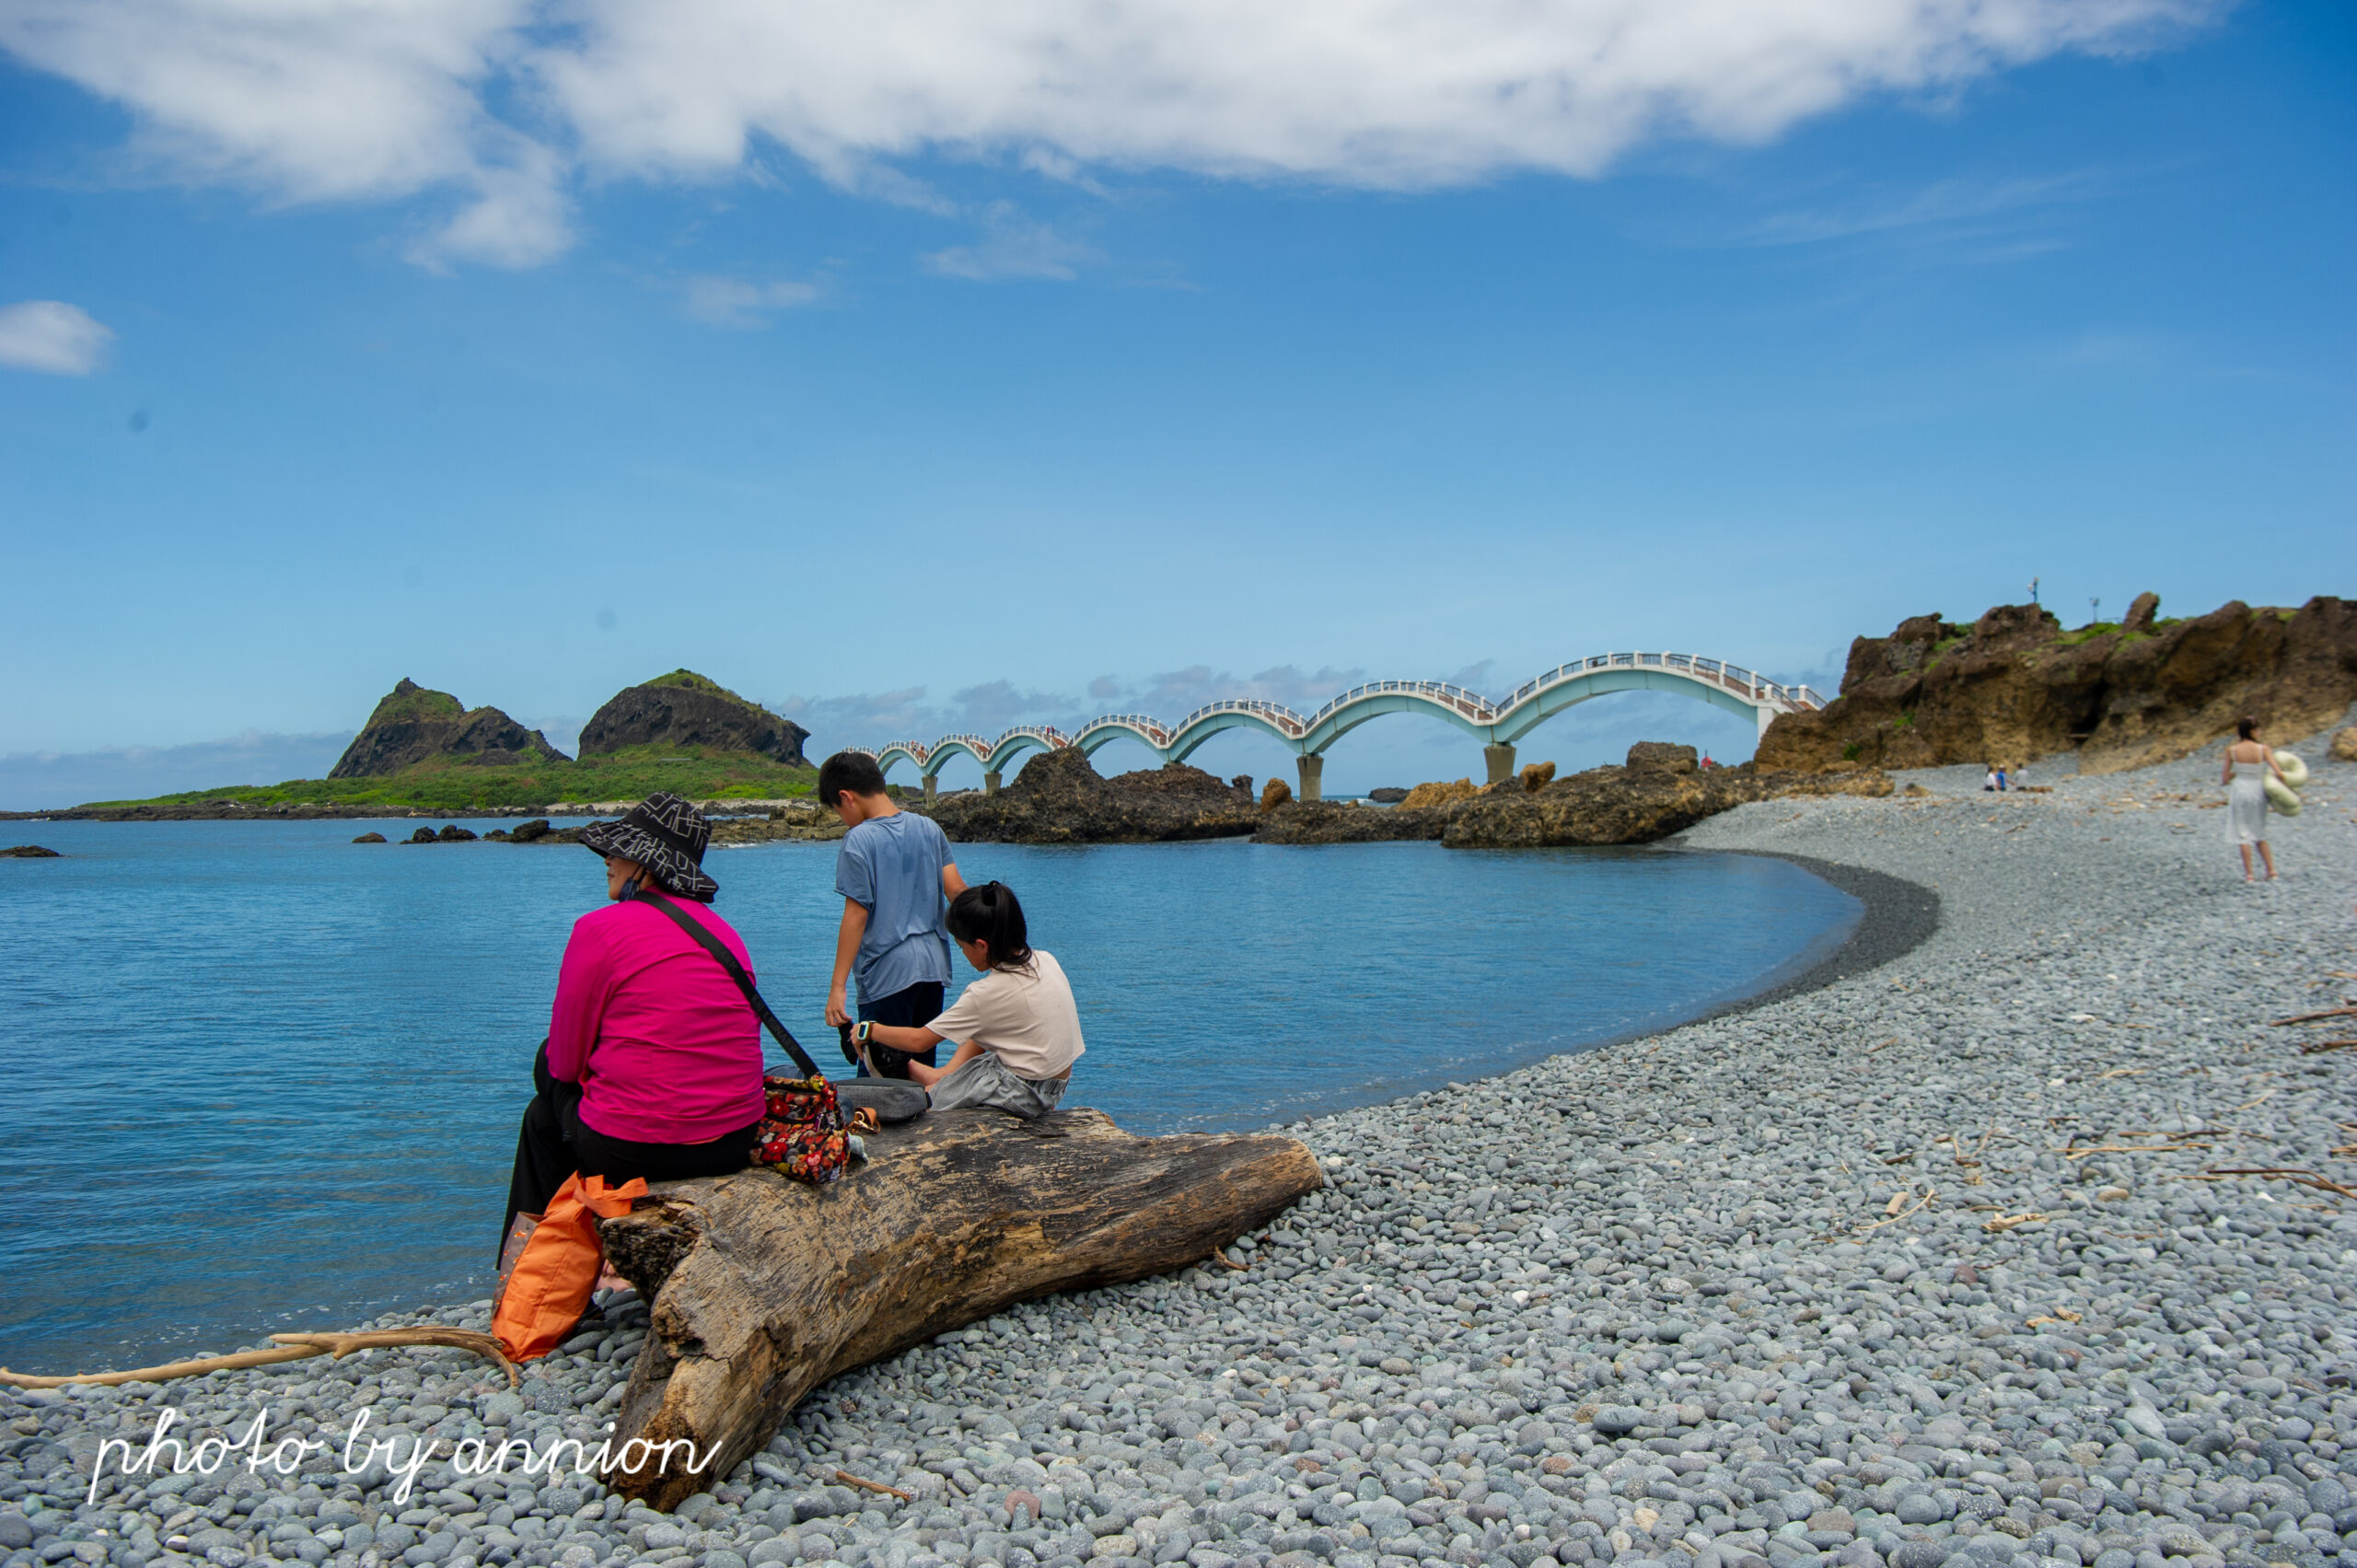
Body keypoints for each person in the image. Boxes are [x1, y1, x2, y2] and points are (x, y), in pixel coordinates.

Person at [501, 793, 765, 1258]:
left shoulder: (599, 929)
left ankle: (529, 1273)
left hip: (638, 1147)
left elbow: (565, 1063)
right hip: (734, 1138)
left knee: (543, 1099)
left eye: (619, 851)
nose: (608, 860)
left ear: (644, 867)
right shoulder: (726, 935)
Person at [854, 881, 1085, 1119]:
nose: (963, 954)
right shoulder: (1045, 960)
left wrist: (868, 1030)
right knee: (983, 1042)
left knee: (928, 1104)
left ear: (981, 945)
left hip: (1024, 1091)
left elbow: (920, 1041)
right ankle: (931, 1074)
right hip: (1055, 1083)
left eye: (962, 946)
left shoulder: (986, 992)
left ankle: (928, 1087)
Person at [818, 750, 968, 1079]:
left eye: (837, 810)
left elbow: (856, 915)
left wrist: (837, 987)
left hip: (887, 973)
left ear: (846, 797)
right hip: (933, 969)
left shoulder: (858, 840)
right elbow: (957, 892)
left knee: (878, 1075)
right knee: (919, 1072)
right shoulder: (929, 828)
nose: (842, 817)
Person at [2222, 716, 2288, 882]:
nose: (2260, 732)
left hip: (2240, 790)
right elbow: (2278, 773)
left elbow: (2224, 779)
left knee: (2242, 832)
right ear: (2252, 731)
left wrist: (2237, 772)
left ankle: (2249, 875)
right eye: (2258, 729)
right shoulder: (2263, 749)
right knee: (2259, 830)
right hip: (2258, 789)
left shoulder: (2232, 751)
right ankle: (2271, 871)